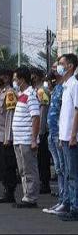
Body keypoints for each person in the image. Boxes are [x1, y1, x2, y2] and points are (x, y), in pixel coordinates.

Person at [12, 66, 40, 208]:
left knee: (29, 169)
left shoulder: (31, 94)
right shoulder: (21, 94)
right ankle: (26, 195)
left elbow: (35, 117)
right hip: (19, 139)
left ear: (22, 79)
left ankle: (31, 197)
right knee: (22, 169)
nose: (14, 81)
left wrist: (33, 139)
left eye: (16, 79)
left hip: (27, 139)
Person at [43, 62, 67, 215]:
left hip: (60, 133)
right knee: (59, 169)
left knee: (65, 169)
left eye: (57, 66)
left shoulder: (67, 87)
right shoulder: (57, 88)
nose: (53, 69)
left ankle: (66, 201)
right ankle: (62, 200)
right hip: (52, 133)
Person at [0, 69, 18, 204]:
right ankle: (6, 190)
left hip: (5, 137)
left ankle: (10, 192)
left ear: (7, 78)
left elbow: (10, 117)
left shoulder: (10, 93)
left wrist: (8, 137)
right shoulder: (0, 93)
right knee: (2, 165)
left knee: (8, 166)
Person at [57, 53, 78, 221]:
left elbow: (77, 112)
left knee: (73, 174)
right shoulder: (65, 85)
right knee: (66, 172)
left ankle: (75, 208)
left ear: (70, 66)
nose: (59, 67)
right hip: (64, 137)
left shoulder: (75, 85)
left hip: (72, 138)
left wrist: (72, 136)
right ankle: (69, 204)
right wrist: (61, 136)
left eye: (62, 64)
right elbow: (65, 115)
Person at [31, 67, 52, 194]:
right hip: (36, 129)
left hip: (41, 130)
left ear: (38, 76)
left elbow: (43, 111)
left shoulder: (41, 91)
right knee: (38, 158)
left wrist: (41, 130)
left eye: (33, 75)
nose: (31, 77)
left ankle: (45, 183)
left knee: (43, 158)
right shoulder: (34, 90)